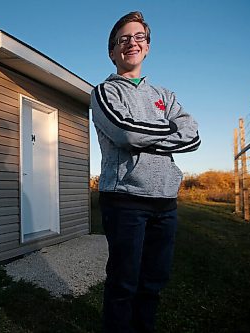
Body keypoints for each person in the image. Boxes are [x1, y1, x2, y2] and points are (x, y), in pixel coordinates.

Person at [91, 11, 201, 333]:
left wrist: (146, 138)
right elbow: (125, 133)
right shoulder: (104, 93)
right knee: (124, 285)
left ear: (148, 47)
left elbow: (192, 135)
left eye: (138, 37)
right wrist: (167, 131)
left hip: (166, 201)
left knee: (153, 284)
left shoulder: (165, 96)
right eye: (123, 39)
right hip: (125, 200)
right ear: (112, 51)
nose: (131, 43)